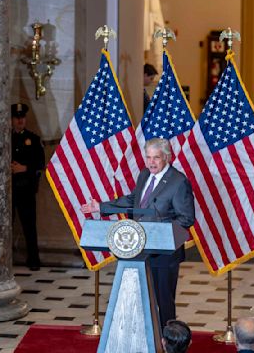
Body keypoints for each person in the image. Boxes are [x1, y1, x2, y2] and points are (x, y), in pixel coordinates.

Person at [80, 137, 195, 327]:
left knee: (164, 303)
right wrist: (101, 206)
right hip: (138, 250)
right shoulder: (144, 175)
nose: (151, 162)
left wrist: (160, 232)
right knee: (141, 300)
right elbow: (134, 200)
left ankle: (168, 342)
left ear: (167, 157)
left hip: (164, 254)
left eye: (156, 158)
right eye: (148, 157)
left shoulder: (178, 181)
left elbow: (187, 218)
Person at [11, 103, 45, 271]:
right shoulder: (6, 139)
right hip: (9, 190)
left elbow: (40, 163)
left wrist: (24, 168)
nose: (20, 121)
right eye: (17, 118)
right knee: (6, 226)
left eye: (22, 118)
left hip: (26, 188)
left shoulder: (33, 139)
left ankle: (34, 259)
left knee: (29, 225)